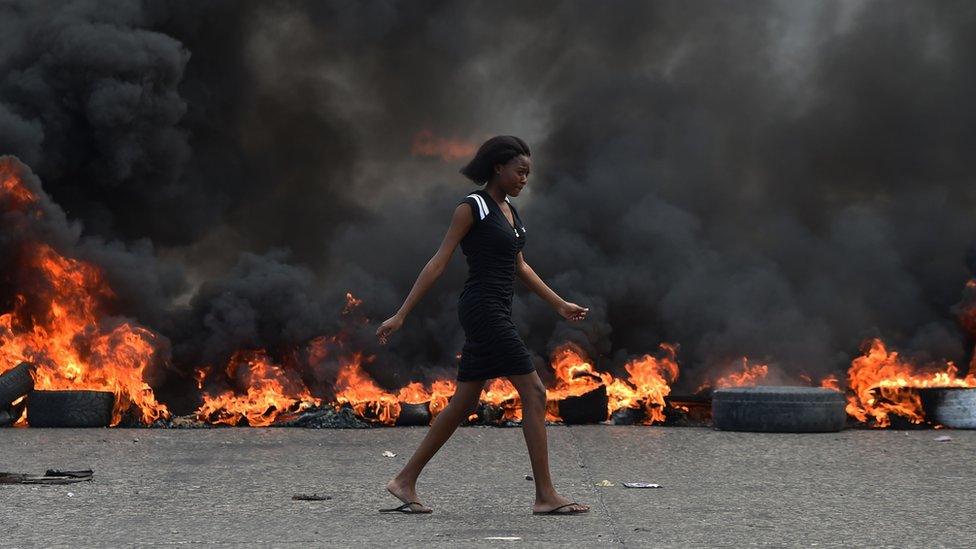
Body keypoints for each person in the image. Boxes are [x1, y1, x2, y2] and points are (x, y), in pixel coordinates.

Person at [375, 135, 591, 516]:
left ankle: (404, 480)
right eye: (519, 171)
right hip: (483, 310)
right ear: (498, 168)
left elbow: (520, 266)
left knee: (463, 403)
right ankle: (545, 496)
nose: (525, 179)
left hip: (497, 310)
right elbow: (439, 261)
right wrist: (402, 313)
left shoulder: (510, 211)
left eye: (528, 173)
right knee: (536, 393)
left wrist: (559, 304)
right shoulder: (472, 206)